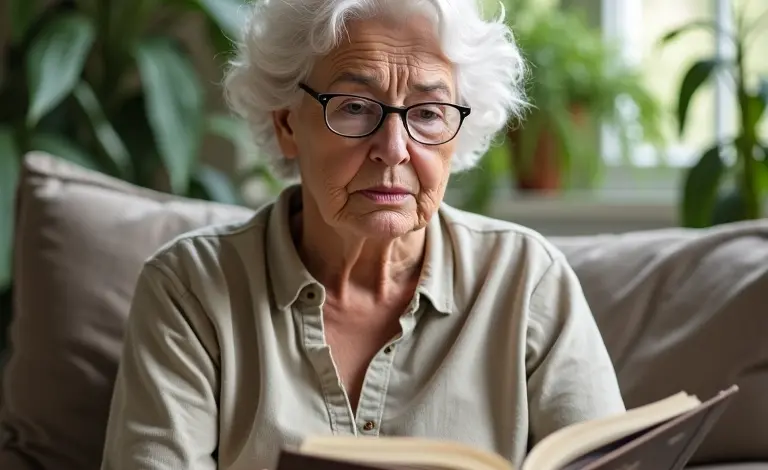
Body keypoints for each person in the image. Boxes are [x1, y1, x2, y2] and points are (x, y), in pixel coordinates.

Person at [100, 0, 625, 468]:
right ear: (286, 124)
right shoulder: (189, 291)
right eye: (354, 108)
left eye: (427, 113)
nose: (394, 148)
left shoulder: (528, 282)